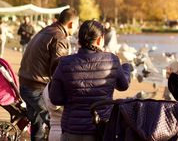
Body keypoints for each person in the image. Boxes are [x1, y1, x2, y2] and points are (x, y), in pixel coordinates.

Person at [49, 20, 131, 141]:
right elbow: (123, 86)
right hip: (101, 130)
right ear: (99, 40)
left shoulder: (64, 63)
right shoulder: (111, 60)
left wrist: (74, 97)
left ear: (80, 40)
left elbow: (55, 99)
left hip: (71, 130)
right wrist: (126, 68)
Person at [18, 8, 79, 141]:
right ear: (71, 24)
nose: (76, 29)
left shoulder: (47, 30)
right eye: (77, 25)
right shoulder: (59, 38)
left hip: (26, 83)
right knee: (57, 122)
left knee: (37, 125)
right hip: (36, 88)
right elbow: (59, 70)